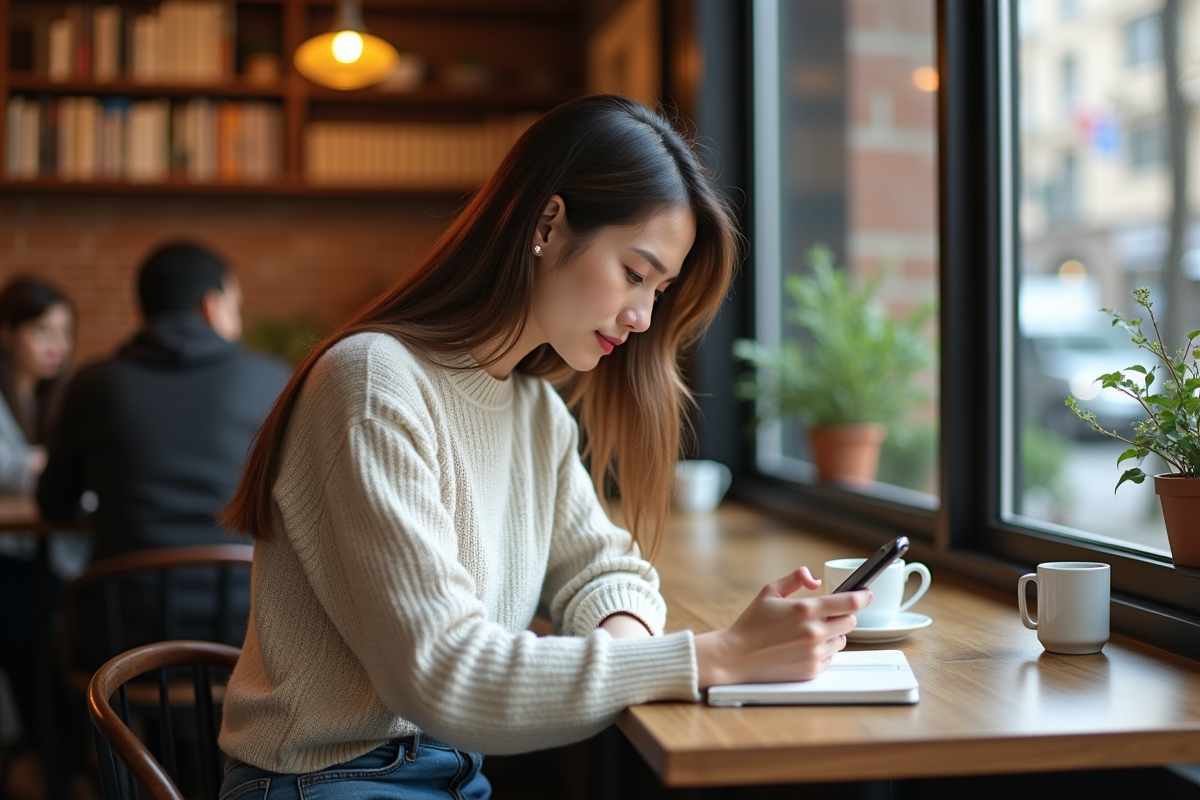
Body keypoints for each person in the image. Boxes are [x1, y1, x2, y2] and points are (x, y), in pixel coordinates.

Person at [215, 95, 871, 799]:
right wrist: (718, 656)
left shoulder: (535, 411)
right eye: (633, 272)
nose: (643, 317)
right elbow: (444, 677)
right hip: (332, 783)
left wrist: (621, 652)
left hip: (450, 773)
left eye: (659, 289)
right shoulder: (376, 382)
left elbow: (606, 573)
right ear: (549, 223)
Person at [36, 241, 291, 666]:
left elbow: (53, 504)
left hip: (122, 634)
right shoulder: (268, 379)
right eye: (236, 307)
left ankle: (112, 734)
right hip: (244, 630)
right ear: (212, 306)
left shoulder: (93, 384)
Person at [0, 278, 76, 800]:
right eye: (43, 330)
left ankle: (59, 768)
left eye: (66, 332)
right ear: (7, 333)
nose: (57, 345)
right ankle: (48, 768)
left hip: (60, 558)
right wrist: (46, 465)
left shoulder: (65, 399)